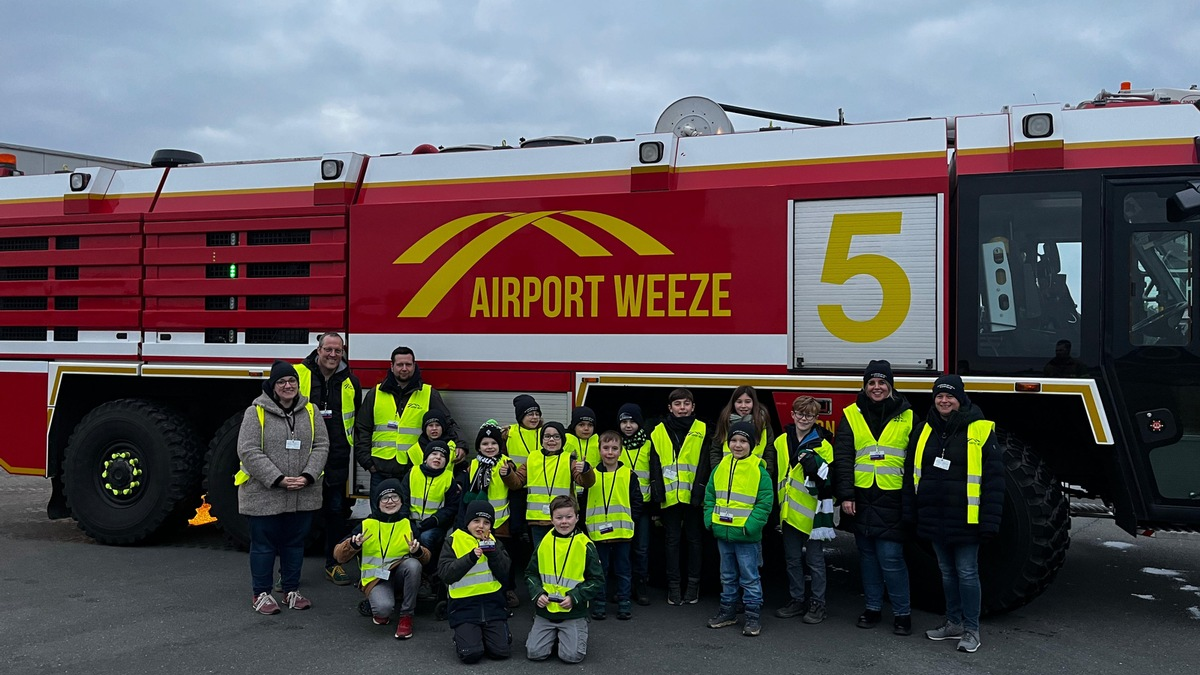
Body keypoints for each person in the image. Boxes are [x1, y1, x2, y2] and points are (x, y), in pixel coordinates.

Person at [907, 375, 1004, 654]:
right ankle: (953, 624)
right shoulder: (924, 430)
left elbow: (995, 481)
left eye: (950, 396)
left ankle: (971, 629)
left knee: (967, 572)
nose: (944, 400)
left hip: (967, 519)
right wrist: (913, 513)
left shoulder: (981, 430)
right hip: (935, 516)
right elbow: (911, 477)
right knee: (947, 573)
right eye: (939, 396)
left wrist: (989, 521)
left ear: (961, 399)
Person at [236, 360, 329, 614]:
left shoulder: (310, 411)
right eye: (282, 382)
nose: (288, 386)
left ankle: (291, 590)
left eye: (292, 381)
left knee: (294, 544)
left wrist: (308, 476)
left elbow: (321, 445)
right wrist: (278, 479)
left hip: (303, 492)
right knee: (264, 545)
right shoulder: (255, 412)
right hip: (264, 493)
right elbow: (248, 450)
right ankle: (262, 594)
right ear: (273, 387)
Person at [833, 360, 914, 635]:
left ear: (890, 386)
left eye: (881, 383)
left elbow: (914, 461)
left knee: (891, 558)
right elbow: (842, 457)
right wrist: (845, 495)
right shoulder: (851, 414)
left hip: (892, 496)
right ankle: (872, 609)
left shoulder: (908, 415)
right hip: (861, 496)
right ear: (865, 386)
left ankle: (903, 614)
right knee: (867, 557)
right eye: (871, 383)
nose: (876, 387)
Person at [295, 331, 363, 587]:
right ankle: (289, 572)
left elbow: (354, 419)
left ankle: (333, 564)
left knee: (335, 513)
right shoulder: (298, 375)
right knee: (301, 517)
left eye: (338, 350)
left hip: (335, 459)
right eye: (328, 350)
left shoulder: (350, 382)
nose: (333, 355)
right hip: (304, 458)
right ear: (318, 349)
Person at [354, 346, 461, 493]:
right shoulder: (375, 393)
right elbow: (362, 429)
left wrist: (460, 444)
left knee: (408, 514)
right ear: (392, 367)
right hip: (380, 470)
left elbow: (447, 424)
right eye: (399, 365)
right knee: (380, 515)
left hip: (413, 470)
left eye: (408, 364)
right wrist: (368, 463)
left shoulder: (428, 393)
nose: (404, 368)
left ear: (414, 366)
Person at [333, 478, 430, 639]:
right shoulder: (365, 525)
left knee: (414, 565)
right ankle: (380, 602)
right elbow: (338, 556)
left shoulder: (408, 524)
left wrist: (417, 550)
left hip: (400, 575)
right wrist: (353, 545)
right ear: (377, 502)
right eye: (385, 498)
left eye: (395, 497)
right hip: (376, 578)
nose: (390, 501)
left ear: (401, 501)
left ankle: (406, 616)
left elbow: (426, 558)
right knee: (383, 610)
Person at [703, 421, 774, 636]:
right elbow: (710, 496)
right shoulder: (720, 467)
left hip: (746, 536)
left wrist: (750, 527)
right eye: (733, 440)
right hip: (723, 534)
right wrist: (710, 520)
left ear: (751, 445)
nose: (738, 445)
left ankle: (752, 617)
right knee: (727, 575)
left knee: (750, 577)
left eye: (743, 441)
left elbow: (765, 503)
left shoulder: (759, 471)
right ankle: (728, 611)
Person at [773, 395, 835, 624]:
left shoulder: (823, 445)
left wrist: (815, 469)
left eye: (809, 415)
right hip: (788, 512)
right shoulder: (780, 441)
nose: (803, 418)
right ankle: (797, 600)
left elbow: (829, 480)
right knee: (792, 560)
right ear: (792, 414)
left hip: (812, 515)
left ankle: (818, 604)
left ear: (816, 418)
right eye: (800, 413)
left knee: (815, 561)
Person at [649, 388, 710, 605]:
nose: (682, 408)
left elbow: (705, 464)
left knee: (695, 541)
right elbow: (654, 466)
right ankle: (673, 587)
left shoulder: (703, 429)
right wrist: (658, 497)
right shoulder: (658, 431)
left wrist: (699, 493)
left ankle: (693, 586)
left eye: (686, 404)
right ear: (670, 408)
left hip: (695, 497)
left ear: (693, 407)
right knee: (671, 542)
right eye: (677, 404)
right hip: (670, 498)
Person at [524, 495, 603, 664]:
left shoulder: (585, 545)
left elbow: (597, 580)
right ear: (551, 519)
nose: (564, 522)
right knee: (534, 653)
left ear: (577, 518)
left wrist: (575, 597)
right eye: (559, 518)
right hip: (546, 611)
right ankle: (554, 637)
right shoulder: (543, 543)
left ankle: (566, 636)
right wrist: (537, 594)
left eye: (569, 517)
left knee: (572, 657)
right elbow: (530, 574)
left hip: (572, 612)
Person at [458, 421, 524, 610]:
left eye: (493, 443)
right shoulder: (473, 464)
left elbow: (515, 487)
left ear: (500, 446)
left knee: (504, 558)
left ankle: (508, 589)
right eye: (485, 444)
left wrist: (507, 474)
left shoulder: (506, 463)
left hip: (501, 521)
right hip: (477, 523)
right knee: (480, 557)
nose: (489, 447)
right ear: (478, 446)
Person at [438, 500, 513, 663]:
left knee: (501, 652)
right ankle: (467, 637)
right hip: (464, 608)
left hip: (493, 606)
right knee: (471, 655)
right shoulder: (453, 540)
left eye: (486, 522)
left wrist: (493, 553)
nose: (481, 526)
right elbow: (446, 574)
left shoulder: (495, 542)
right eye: (476, 521)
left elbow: (504, 573)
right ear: (468, 522)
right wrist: (471, 557)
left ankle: (488, 635)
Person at [584, 430, 643, 620]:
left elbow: (637, 500)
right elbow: (584, 501)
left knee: (623, 569)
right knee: (600, 569)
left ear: (621, 451)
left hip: (622, 532)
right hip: (598, 533)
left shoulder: (628, 474)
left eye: (614, 448)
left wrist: (631, 519)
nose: (610, 452)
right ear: (599, 450)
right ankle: (599, 603)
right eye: (606, 448)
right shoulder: (590, 475)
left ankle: (624, 603)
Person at [516, 422, 595, 546]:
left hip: (564, 520)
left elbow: (586, 483)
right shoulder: (532, 458)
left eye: (556, 436)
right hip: (538, 520)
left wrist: (585, 470)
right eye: (547, 436)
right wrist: (507, 473)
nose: (551, 439)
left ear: (562, 440)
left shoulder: (569, 460)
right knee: (541, 556)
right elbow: (517, 482)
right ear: (542, 440)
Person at [616, 402, 655, 606]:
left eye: (632, 421)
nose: (628, 426)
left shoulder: (649, 444)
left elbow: (655, 474)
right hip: (619, 506)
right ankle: (623, 587)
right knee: (622, 549)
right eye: (624, 422)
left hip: (644, 507)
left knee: (641, 549)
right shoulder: (615, 445)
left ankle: (640, 586)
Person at [399, 440, 462, 553]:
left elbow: (452, 507)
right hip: (410, 521)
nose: (438, 457)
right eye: (434, 454)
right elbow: (403, 500)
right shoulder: (413, 473)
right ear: (426, 457)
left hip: (434, 524)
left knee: (425, 538)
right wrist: (406, 521)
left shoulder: (448, 478)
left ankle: (429, 568)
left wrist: (435, 520)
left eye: (442, 456)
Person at [710, 386, 776, 481]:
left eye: (748, 401)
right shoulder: (724, 421)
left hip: (754, 477)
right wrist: (717, 471)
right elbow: (715, 450)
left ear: (754, 403)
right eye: (739, 402)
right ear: (733, 403)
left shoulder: (763, 423)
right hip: (726, 476)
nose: (743, 406)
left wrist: (765, 475)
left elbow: (769, 453)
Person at [565, 405, 599, 499]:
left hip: (594, 491)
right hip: (569, 493)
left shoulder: (599, 442)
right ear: (574, 426)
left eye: (590, 425)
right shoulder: (565, 441)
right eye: (581, 425)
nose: (586, 428)